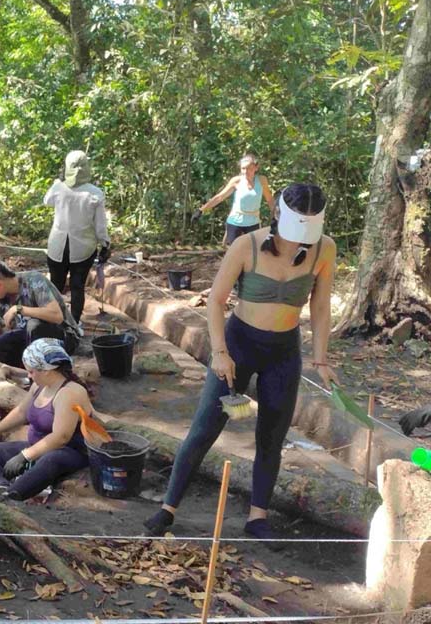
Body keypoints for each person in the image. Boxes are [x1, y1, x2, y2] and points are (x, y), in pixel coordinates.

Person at [144, 184, 338, 542]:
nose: (299, 243)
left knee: (272, 434)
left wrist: (321, 358)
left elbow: (321, 306)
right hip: (239, 343)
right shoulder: (246, 245)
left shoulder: (324, 249)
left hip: (283, 351)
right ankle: (168, 507)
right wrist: (220, 352)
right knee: (206, 425)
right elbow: (216, 301)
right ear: (277, 214)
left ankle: (257, 516)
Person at [0, 339, 97, 500]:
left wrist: (25, 456)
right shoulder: (39, 385)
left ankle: (11, 497)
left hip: (69, 452)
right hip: (36, 448)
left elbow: (61, 437)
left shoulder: (69, 393)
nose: (29, 376)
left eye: (31, 372)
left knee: (51, 459)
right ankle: (2, 487)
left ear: (46, 370)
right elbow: (22, 412)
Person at [0, 257, 83, 377]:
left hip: (65, 337)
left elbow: (57, 316)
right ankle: (34, 373)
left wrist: (19, 309)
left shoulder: (34, 281)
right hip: (33, 337)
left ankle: (52, 372)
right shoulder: (2, 298)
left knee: (34, 325)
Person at [44, 150, 111, 322]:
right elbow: (100, 224)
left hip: (57, 246)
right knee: (77, 286)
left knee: (56, 286)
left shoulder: (58, 188)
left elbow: (47, 201)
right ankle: (74, 323)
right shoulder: (95, 193)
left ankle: (54, 321)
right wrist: (104, 244)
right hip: (84, 248)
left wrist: (58, 181)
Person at [191, 153, 275, 246]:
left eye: (249, 168)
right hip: (235, 222)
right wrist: (201, 210)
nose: (246, 171)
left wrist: (277, 215)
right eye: (243, 168)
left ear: (256, 167)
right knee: (231, 252)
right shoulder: (236, 181)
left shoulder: (262, 181)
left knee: (253, 253)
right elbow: (220, 197)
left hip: (253, 222)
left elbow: (270, 200)